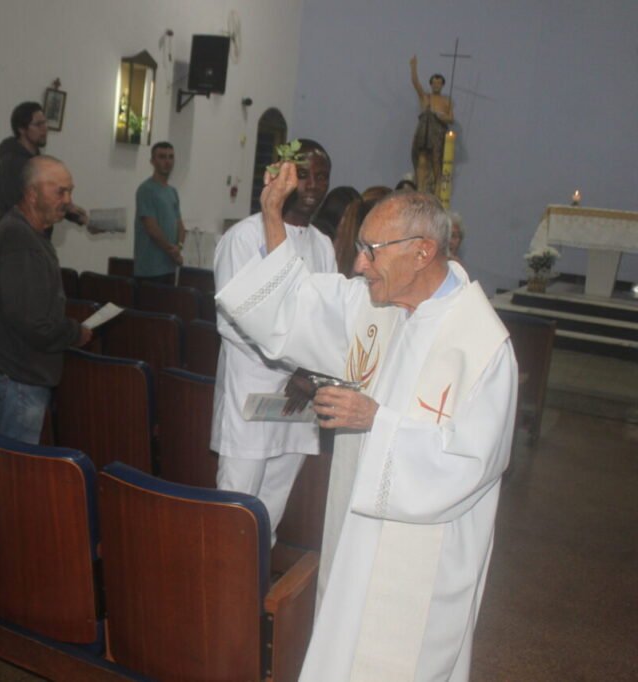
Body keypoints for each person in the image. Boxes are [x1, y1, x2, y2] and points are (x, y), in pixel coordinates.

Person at [217, 167, 517, 681]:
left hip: (420, 570)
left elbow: (470, 465)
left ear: (422, 252)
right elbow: (294, 303)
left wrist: (378, 421)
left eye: (372, 250)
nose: (359, 264)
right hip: (353, 541)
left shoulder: (481, 346)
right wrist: (272, 216)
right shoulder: (376, 306)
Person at [212, 139, 334, 544]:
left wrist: (311, 374)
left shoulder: (323, 245)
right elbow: (236, 322)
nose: (313, 184)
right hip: (253, 393)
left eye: (322, 176)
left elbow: (327, 318)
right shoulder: (243, 238)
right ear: (284, 175)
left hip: (299, 403)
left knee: (272, 510)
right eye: (304, 174)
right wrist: (296, 365)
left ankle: (254, 590)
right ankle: (221, 592)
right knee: (236, 506)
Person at [0, 155, 92, 444]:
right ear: (31, 194)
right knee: (13, 477)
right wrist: (76, 333)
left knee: (9, 471)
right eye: (60, 192)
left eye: (70, 191)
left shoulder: (27, 233)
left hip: (17, 374)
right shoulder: (21, 240)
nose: (68, 199)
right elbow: (32, 322)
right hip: (20, 378)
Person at [0, 101, 87, 233]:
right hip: (17, 238)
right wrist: (66, 209)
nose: (45, 129)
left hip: (37, 238)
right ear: (22, 129)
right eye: (38, 124)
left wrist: (74, 214)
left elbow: (46, 197)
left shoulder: (37, 161)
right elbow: (23, 205)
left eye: (45, 122)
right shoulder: (11, 164)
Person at [133, 141, 186, 283]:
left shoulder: (172, 192)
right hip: (149, 270)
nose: (167, 161)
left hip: (169, 268)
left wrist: (179, 247)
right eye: (162, 157)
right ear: (152, 161)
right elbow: (151, 228)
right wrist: (173, 252)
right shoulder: (146, 190)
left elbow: (180, 226)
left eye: (170, 157)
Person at [410, 55, 453, 194]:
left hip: (437, 134)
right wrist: (413, 68)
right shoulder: (425, 97)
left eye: (439, 83)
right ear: (431, 84)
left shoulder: (446, 101)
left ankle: (437, 191)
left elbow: (451, 118)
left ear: (442, 85)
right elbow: (416, 83)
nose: (436, 85)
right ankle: (420, 189)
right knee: (422, 160)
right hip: (424, 133)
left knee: (436, 163)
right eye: (434, 83)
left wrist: (441, 116)